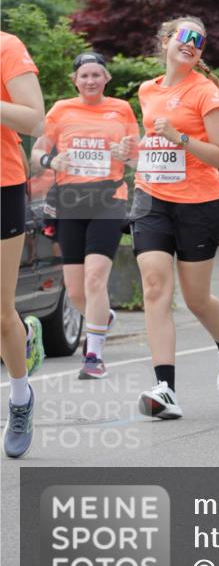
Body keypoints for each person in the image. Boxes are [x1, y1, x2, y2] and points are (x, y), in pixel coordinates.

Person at [131, 16, 219, 419]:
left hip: (198, 203)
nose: (193, 44)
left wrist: (179, 137)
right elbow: (152, 144)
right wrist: (136, 150)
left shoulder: (205, 92)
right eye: (185, 36)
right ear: (165, 42)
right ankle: (166, 388)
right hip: (151, 199)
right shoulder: (148, 91)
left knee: (195, 298)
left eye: (200, 40)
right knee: (156, 286)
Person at [32, 51, 139, 380]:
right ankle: (101, 319)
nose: (91, 80)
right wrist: (53, 162)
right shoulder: (61, 110)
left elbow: (137, 157)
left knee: (95, 278)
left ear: (107, 78)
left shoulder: (121, 109)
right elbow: (36, 154)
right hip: (70, 202)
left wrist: (127, 153)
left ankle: (93, 355)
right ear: (74, 81)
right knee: (76, 290)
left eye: (97, 75)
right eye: (84, 76)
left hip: (109, 198)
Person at [1, 31, 45, 458]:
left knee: (0, 313)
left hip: (2, 186)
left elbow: (35, 120)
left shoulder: (7, 47)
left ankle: (19, 398)